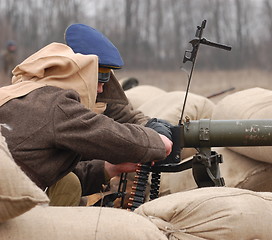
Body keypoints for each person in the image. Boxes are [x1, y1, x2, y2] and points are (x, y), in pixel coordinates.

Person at [0, 25, 173, 206]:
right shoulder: (57, 105)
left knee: (69, 184)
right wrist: (156, 142)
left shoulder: (24, 93)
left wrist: (110, 168)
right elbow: (108, 134)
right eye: (98, 79)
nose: (101, 89)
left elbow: (57, 169)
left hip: (18, 185)